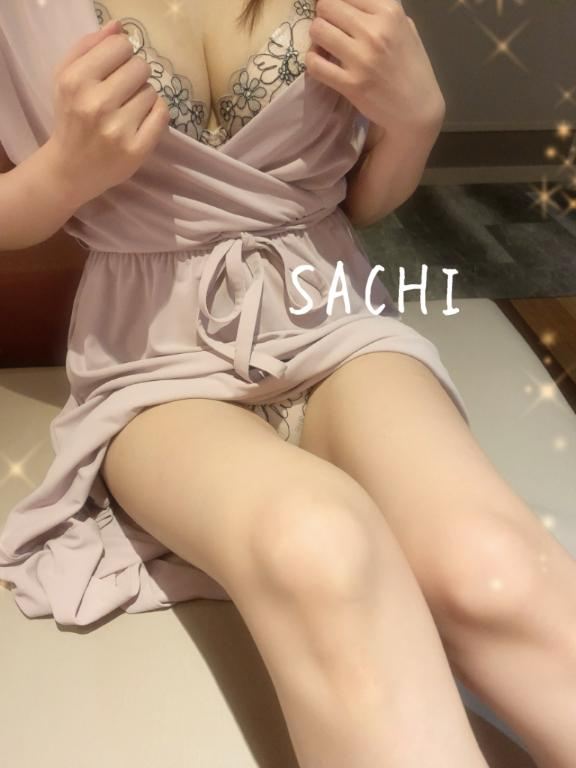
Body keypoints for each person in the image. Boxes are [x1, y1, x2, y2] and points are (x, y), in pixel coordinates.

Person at [0, 1, 573, 766]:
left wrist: (415, 120)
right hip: (153, 364)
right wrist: (61, 173)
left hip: (333, 317)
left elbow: (359, 202)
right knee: (319, 547)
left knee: (491, 565)